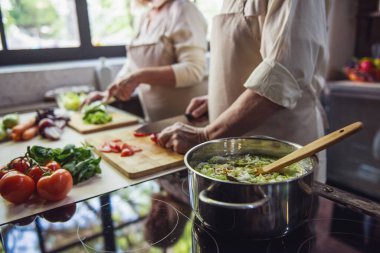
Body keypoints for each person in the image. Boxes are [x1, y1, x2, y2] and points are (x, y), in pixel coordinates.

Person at [157, 0, 329, 182]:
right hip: (233, 160)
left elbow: (282, 75)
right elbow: (246, 54)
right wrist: (218, 98)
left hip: (282, 160)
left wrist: (204, 136)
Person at [83, 0, 208, 122]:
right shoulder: (145, 16)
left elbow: (194, 70)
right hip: (155, 122)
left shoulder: (183, 9)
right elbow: (132, 65)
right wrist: (108, 94)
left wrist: (140, 76)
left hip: (190, 121)